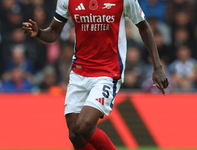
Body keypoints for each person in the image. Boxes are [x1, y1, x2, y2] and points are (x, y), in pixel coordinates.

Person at [22, 0, 169, 149]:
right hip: (79, 71)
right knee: (74, 134)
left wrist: (157, 66)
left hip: (108, 71)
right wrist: (39, 32)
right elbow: (53, 32)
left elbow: (143, 27)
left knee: (84, 126)